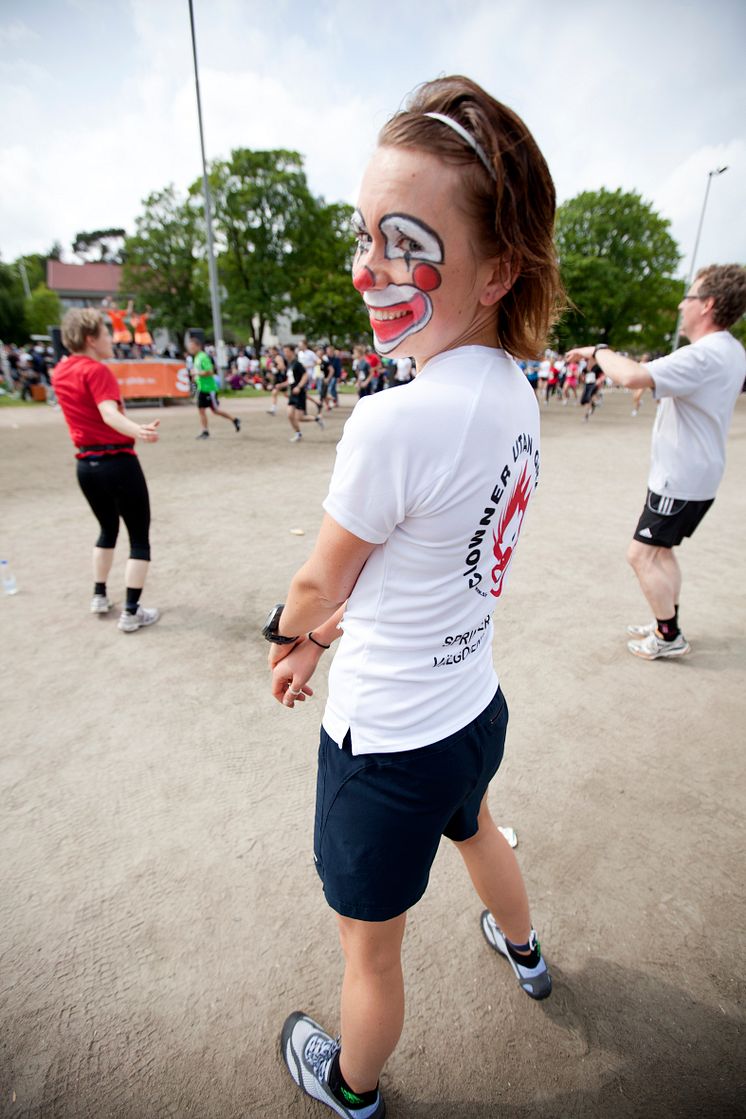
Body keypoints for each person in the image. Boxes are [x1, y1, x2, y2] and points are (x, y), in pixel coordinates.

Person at [264, 74, 561, 1117]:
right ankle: (525, 952)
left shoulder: (395, 421)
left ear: (495, 271)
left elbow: (316, 579)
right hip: (471, 710)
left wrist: (289, 635)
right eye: (365, 236)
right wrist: (330, 628)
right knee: (479, 827)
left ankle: (350, 1087)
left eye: (404, 242)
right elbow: (438, 552)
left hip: (384, 743)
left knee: (371, 951)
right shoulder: (513, 390)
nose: (368, 269)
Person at [567, 263, 746, 660]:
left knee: (641, 554)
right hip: (695, 474)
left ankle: (668, 635)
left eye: (690, 296)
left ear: (709, 305)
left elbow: (631, 376)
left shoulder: (705, 355)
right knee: (661, 552)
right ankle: (666, 622)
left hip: (680, 477)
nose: (683, 304)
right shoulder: (731, 350)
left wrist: (598, 351)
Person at [52, 309, 161, 633]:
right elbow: (108, 412)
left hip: (86, 466)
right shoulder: (96, 371)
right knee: (139, 537)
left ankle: (99, 595)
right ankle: (131, 612)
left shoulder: (60, 371)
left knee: (107, 529)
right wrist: (137, 429)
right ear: (90, 339)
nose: (110, 338)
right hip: (118, 463)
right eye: (105, 332)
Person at [187, 335, 241, 440]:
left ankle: (234, 419)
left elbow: (210, 371)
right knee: (201, 410)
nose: (190, 349)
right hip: (201, 388)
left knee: (215, 410)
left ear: (198, 346)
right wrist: (194, 379)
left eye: (192, 346)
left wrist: (197, 373)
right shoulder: (196, 357)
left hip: (209, 388)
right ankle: (205, 431)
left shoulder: (203, 357)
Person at [284, 342, 325, 442]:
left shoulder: (297, 364)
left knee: (300, 417)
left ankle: (317, 419)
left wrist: (298, 387)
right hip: (292, 393)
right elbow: (290, 380)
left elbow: (305, 375)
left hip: (299, 393)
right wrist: (280, 386)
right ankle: (298, 433)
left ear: (292, 352)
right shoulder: (290, 364)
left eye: (287, 351)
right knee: (289, 414)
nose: (285, 353)